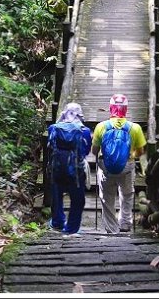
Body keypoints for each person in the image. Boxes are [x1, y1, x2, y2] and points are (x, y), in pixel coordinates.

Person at [91, 94, 146, 233]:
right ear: (125, 110)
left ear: (111, 109)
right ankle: (125, 224)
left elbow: (94, 151)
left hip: (107, 168)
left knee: (107, 197)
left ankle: (111, 228)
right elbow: (140, 151)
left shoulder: (101, 127)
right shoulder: (135, 128)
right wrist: (129, 156)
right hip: (127, 167)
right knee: (127, 195)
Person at [48, 103, 92, 235]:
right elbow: (86, 150)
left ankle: (57, 222)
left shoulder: (53, 128)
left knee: (57, 196)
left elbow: (49, 146)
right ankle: (71, 229)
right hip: (76, 172)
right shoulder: (84, 131)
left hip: (57, 169)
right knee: (78, 200)